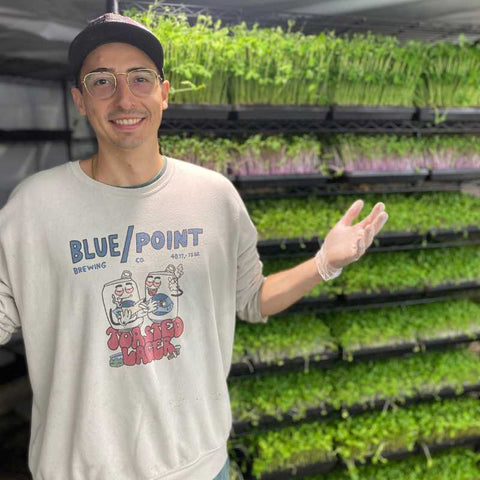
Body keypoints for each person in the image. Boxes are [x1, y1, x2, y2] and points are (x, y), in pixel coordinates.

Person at [0, 12, 388, 480]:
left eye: (140, 78)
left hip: (201, 467)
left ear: (164, 93)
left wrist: (325, 264)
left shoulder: (214, 196)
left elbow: (251, 298)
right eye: (102, 81)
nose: (124, 97)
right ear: (80, 100)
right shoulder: (35, 207)